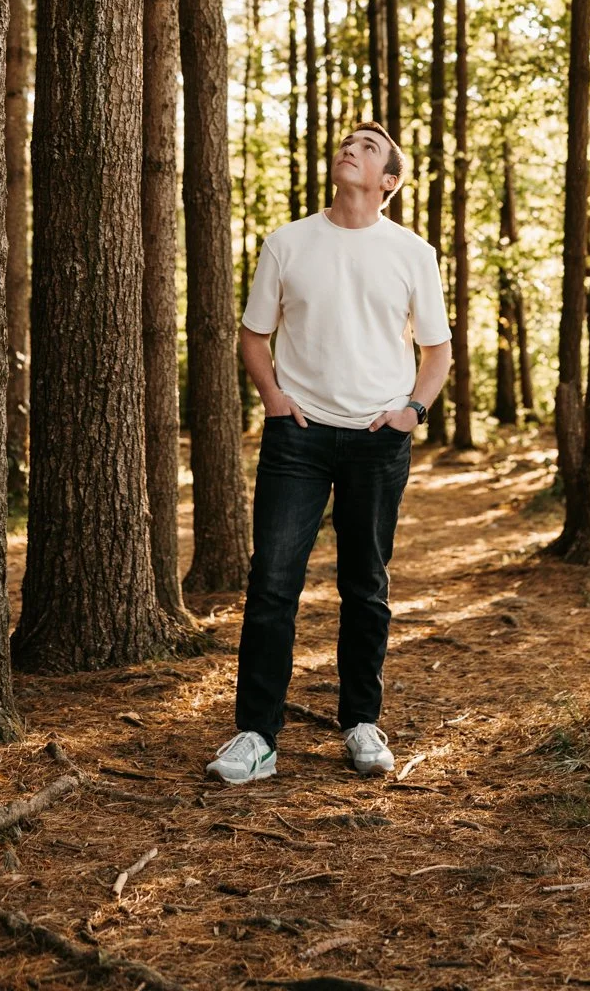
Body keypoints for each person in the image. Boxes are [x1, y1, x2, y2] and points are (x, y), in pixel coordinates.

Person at [206, 121, 453, 786]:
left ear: (388, 182)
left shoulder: (412, 252)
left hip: (377, 440)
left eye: (369, 148)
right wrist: (274, 400)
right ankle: (256, 734)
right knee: (272, 585)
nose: (350, 148)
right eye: (347, 142)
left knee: (365, 586)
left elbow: (437, 353)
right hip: (299, 438)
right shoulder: (288, 243)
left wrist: (412, 412)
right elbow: (252, 336)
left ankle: (361, 723)